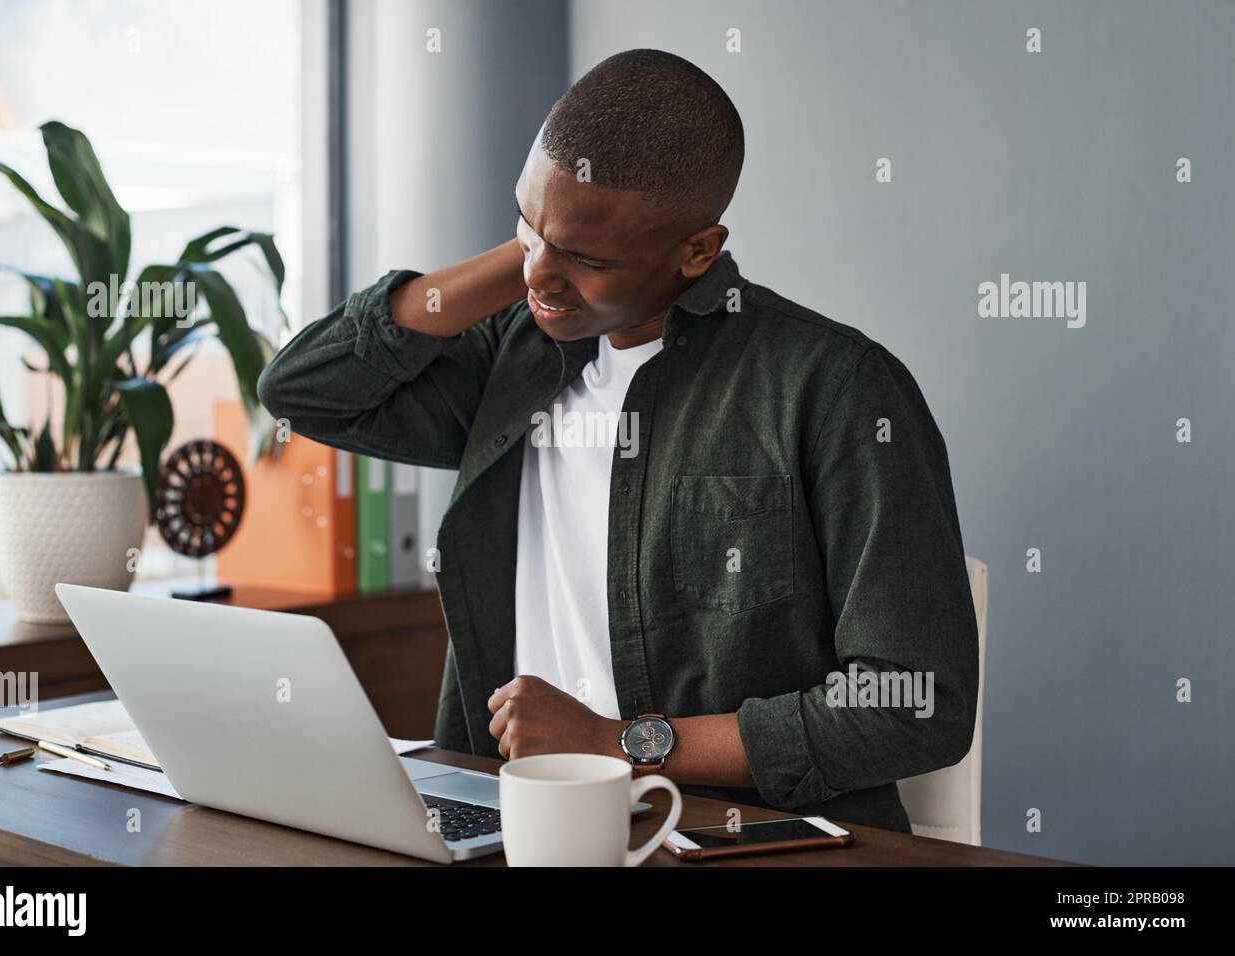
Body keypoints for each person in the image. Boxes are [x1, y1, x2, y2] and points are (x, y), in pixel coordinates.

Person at [257, 48, 978, 833]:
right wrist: (549, 248)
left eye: (590, 258)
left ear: (698, 252)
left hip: (727, 835)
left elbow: (918, 702)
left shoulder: (835, 388)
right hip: (511, 815)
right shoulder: (514, 355)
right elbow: (302, 390)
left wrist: (621, 744)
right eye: (526, 226)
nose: (540, 277)